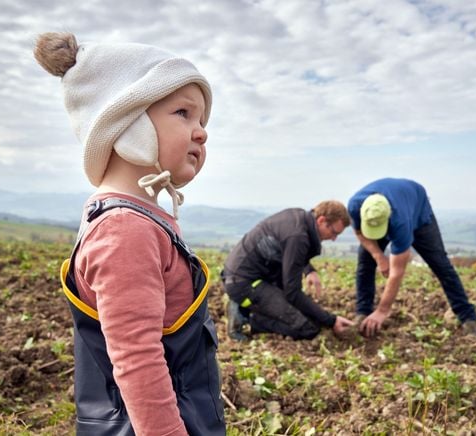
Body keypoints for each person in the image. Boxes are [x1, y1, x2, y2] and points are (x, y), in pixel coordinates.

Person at [36, 32, 225, 435]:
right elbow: (136, 358)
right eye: (183, 113)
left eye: (203, 120)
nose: (201, 132)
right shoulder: (126, 230)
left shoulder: (140, 218)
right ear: (126, 122)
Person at [348, 178, 476, 340]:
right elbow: (359, 232)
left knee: (441, 266)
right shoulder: (355, 205)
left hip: (418, 214)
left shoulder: (401, 223)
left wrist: (382, 311)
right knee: (365, 263)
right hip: (393, 205)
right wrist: (378, 255)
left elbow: (397, 272)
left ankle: (468, 319)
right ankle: (362, 313)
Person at [222, 201, 355, 341]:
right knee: (308, 328)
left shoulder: (299, 218)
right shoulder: (298, 236)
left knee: (311, 316)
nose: (334, 239)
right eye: (334, 232)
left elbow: (291, 252)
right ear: (321, 220)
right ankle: (246, 321)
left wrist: (309, 270)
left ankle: (249, 309)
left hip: (253, 275)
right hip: (244, 283)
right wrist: (331, 320)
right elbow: (293, 293)